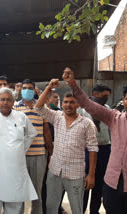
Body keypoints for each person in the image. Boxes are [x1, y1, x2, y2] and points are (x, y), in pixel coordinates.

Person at [62, 67, 127, 214]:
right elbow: (86, 103)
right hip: (111, 177)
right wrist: (72, 83)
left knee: (97, 189)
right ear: (124, 100)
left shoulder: (108, 109)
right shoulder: (113, 117)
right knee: (88, 186)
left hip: (105, 152)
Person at [35, 78, 98, 214]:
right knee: (51, 207)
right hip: (55, 171)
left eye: (72, 102)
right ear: (61, 104)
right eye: (65, 102)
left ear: (78, 105)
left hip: (75, 174)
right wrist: (49, 88)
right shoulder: (57, 117)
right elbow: (38, 107)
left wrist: (91, 175)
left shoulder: (86, 124)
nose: (68, 105)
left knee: (77, 209)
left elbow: (93, 149)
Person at [0, 87, 38, 214]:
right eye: (2, 99)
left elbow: (31, 134)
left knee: (15, 209)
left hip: (15, 173)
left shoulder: (21, 116)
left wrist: (20, 149)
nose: (5, 102)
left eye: (9, 100)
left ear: (13, 101)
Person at [13, 79, 53, 214]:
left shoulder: (41, 108)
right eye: (24, 88)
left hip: (39, 155)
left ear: (35, 90)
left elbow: (46, 130)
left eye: (30, 88)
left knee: (37, 191)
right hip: (19, 156)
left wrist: (51, 152)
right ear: (20, 89)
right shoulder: (15, 107)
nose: (27, 91)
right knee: (18, 191)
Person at [82, 84, 112, 214]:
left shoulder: (107, 109)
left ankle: (94, 210)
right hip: (87, 151)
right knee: (85, 183)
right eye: (104, 96)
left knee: (99, 183)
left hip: (105, 149)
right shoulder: (83, 110)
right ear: (96, 94)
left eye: (107, 97)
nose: (106, 98)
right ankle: (81, 210)